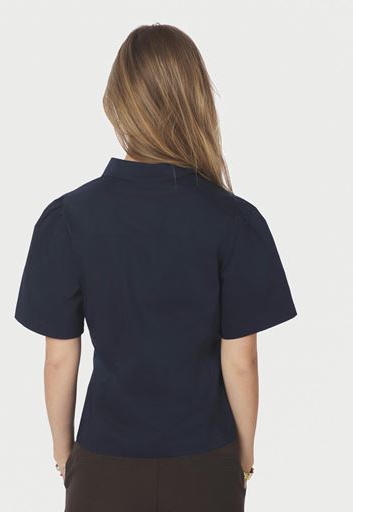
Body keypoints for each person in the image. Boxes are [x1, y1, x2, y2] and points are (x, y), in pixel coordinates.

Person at [15, 23, 296, 512]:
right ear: (197, 101)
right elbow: (241, 360)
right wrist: (244, 458)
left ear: (117, 102)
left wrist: (65, 454)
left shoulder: (68, 220)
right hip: (206, 464)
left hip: (103, 464)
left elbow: (59, 358)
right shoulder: (234, 221)